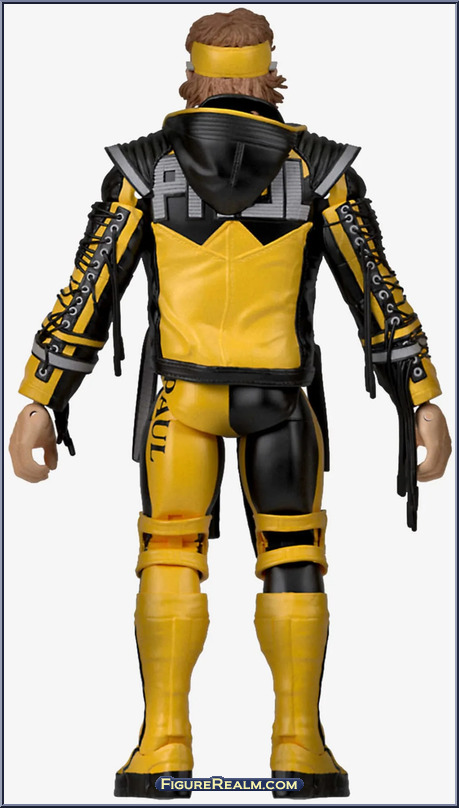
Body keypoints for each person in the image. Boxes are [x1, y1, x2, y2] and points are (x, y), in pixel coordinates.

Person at [9, 7, 451, 802]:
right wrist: (418, 396)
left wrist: (42, 395)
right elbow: (375, 289)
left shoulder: (142, 170)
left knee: (168, 554)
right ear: (270, 75)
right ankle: (299, 747)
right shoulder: (321, 171)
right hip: (280, 401)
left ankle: (162, 747)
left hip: (179, 402)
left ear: (191, 76)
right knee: (295, 555)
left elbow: (89, 286)